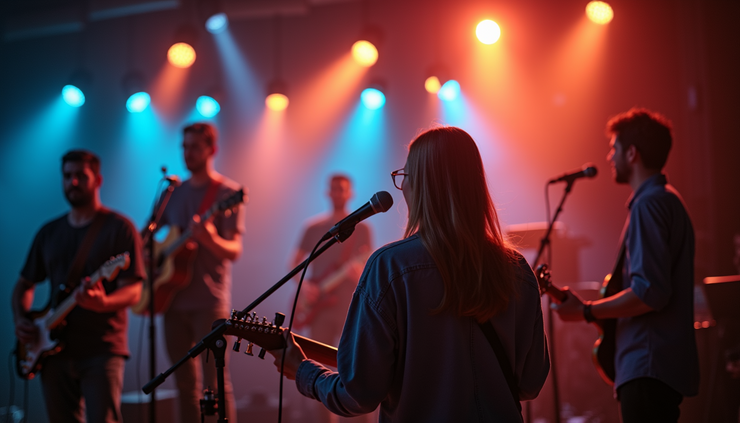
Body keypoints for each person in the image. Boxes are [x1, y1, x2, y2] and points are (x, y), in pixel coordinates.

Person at [272, 126, 550, 422]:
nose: (402, 188)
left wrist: (303, 372)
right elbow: (530, 383)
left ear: (418, 185)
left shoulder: (390, 267)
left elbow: (357, 395)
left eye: (404, 177)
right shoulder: (517, 269)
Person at [552, 108, 700, 422]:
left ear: (632, 153)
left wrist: (588, 311)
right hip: (658, 368)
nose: (609, 157)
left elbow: (649, 293)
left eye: (615, 148)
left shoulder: (649, 205)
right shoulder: (667, 200)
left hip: (647, 366)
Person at [11, 150, 145, 423]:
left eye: (80, 176)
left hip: (102, 348)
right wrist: (22, 319)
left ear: (98, 180)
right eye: (67, 176)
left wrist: (103, 303)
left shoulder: (119, 228)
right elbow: (23, 285)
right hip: (51, 350)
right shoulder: (49, 232)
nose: (72, 182)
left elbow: (134, 290)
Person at [159, 123, 245, 423]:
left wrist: (209, 239)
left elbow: (234, 250)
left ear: (212, 150)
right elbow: (157, 240)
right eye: (184, 146)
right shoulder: (173, 193)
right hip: (171, 299)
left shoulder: (227, 193)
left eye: (195, 146)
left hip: (209, 302)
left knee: (217, 383)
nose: (188, 153)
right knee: (183, 385)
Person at [289, 174, 373, 423]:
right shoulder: (314, 227)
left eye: (342, 189)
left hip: (350, 306)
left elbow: (367, 263)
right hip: (320, 309)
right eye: (334, 189)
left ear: (350, 194)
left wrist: (359, 273)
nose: (337, 193)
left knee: (358, 369)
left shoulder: (363, 228)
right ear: (328, 192)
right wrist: (304, 287)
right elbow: (295, 263)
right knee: (317, 368)